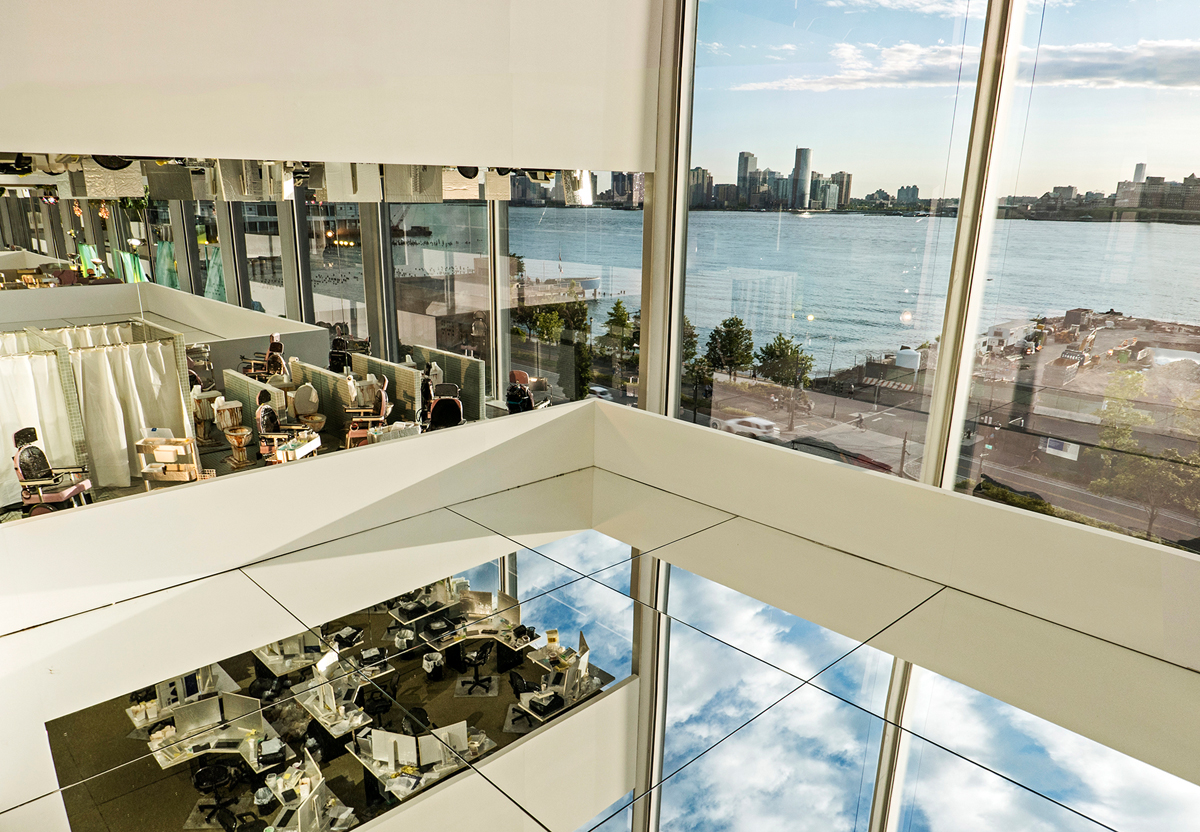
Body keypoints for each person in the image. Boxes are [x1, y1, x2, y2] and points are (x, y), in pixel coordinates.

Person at [255, 390, 281, 460]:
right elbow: (277, 423)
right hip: (271, 438)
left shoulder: (260, 411)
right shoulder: (270, 410)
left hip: (267, 438)